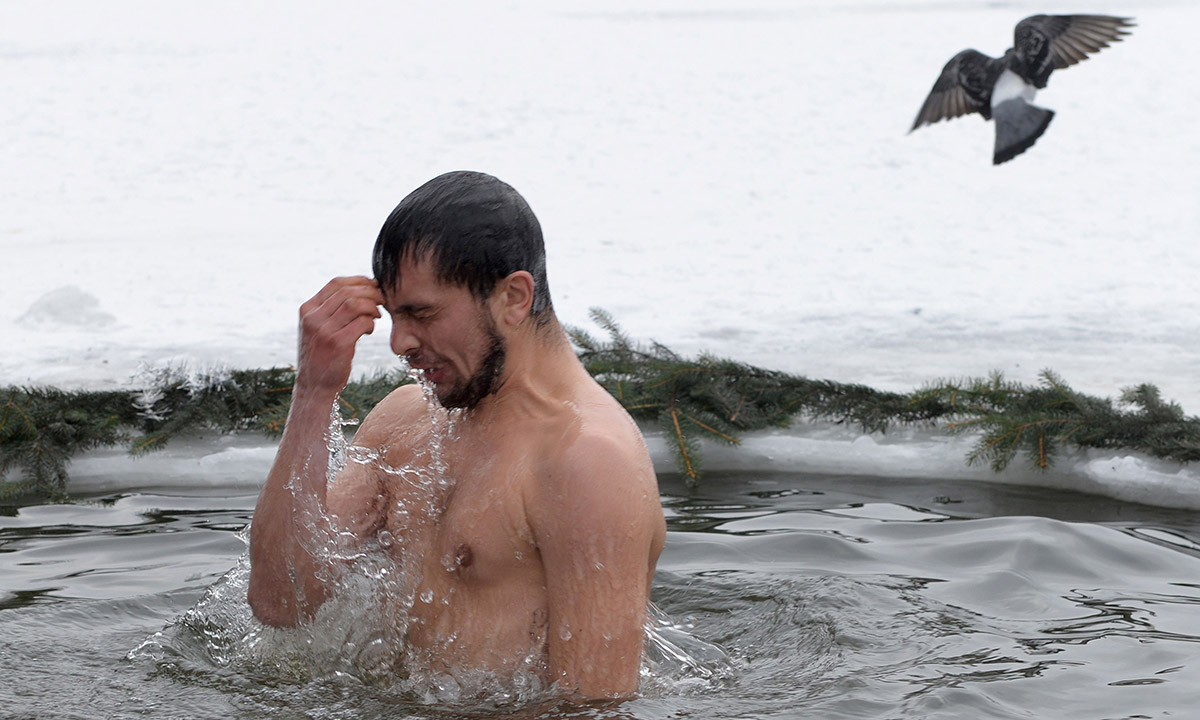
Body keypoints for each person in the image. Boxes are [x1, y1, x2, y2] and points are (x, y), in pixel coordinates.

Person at [247, 170, 666, 699]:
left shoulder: (586, 460)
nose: (399, 342)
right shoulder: (405, 421)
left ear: (514, 297)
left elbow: (595, 705)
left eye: (422, 314)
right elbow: (280, 601)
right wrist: (313, 392)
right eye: (395, 315)